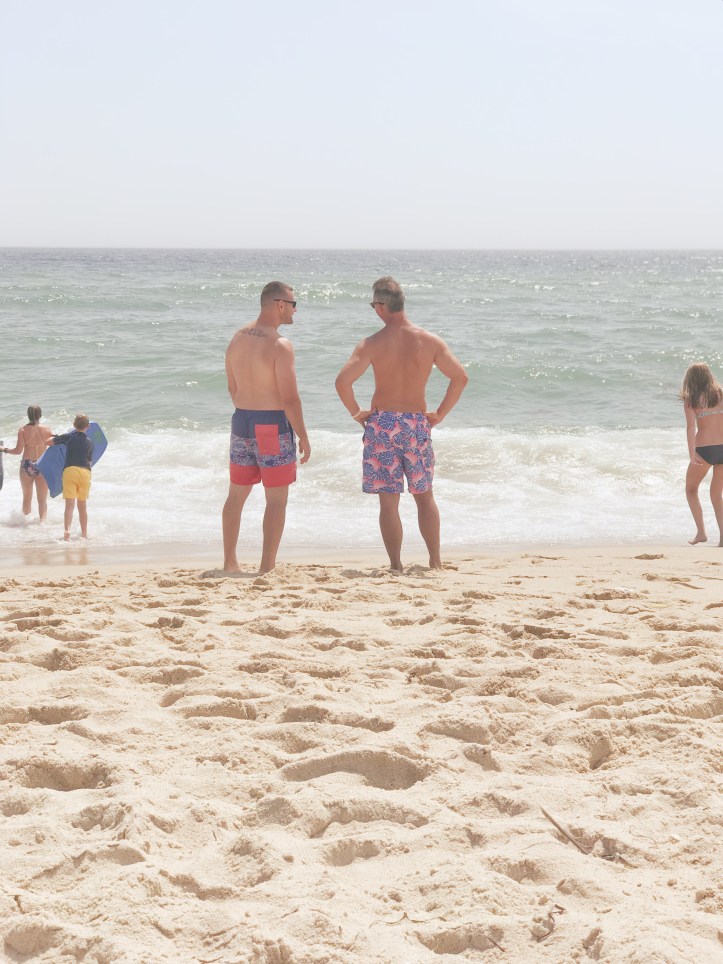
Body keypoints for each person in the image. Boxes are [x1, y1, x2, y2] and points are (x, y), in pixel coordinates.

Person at [335, 276, 468, 572]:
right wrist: (440, 414)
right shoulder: (430, 341)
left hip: (382, 425)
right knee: (424, 496)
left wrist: (357, 413)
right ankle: (435, 561)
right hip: (416, 424)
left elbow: (342, 382)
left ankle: (395, 565)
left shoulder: (371, 344)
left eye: (373, 305)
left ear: (381, 306)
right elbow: (460, 377)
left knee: (388, 503)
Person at [222, 281, 311, 574]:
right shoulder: (280, 345)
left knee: (236, 496)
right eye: (293, 304)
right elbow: (290, 398)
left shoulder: (237, 337)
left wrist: (249, 408)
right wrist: (303, 435)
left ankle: (230, 562)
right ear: (280, 304)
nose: (295, 310)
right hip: (271, 425)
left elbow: (232, 387)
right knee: (276, 500)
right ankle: (266, 567)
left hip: (241, 422)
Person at [681, 362, 723, 547]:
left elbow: (691, 427)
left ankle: (701, 532)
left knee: (691, 490)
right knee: (716, 495)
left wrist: (692, 453)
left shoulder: (691, 399)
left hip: (705, 449)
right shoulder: (721, 393)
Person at [47, 414, 94, 541]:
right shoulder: (90, 442)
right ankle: (84, 534)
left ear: (73, 425)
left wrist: (54, 436)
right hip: (85, 472)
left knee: (69, 506)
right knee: (82, 506)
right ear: (88, 426)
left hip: (70, 471)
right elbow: (90, 461)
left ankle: (67, 532)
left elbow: (48, 442)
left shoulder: (68, 437)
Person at [2, 405, 54, 520]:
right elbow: (55, 446)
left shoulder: (23, 430)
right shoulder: (47, 429)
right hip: (42, 464)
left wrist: (3, 449)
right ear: (40, 415)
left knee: (27, 498)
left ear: (28, 415)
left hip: (27, 465)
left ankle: (24, 524)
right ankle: (42, 524)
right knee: (42, 500)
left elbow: (17, 451)